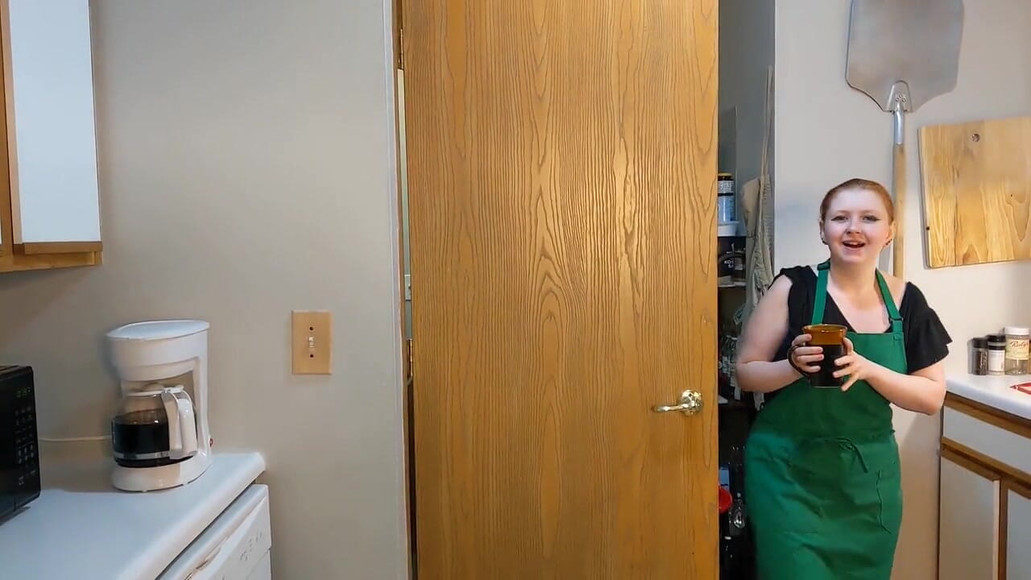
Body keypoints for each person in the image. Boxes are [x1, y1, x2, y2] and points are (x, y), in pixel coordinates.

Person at [734, 177, 951, 580]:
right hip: (787, 476)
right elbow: (745, 372)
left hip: (866, 482)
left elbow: (931, 397)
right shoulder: (793, 287)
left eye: (869, 218)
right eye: (840, 218)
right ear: (823, 229)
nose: (854, 228)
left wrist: (869, 369)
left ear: (889, 232)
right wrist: (792, 367)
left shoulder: (908, 301)